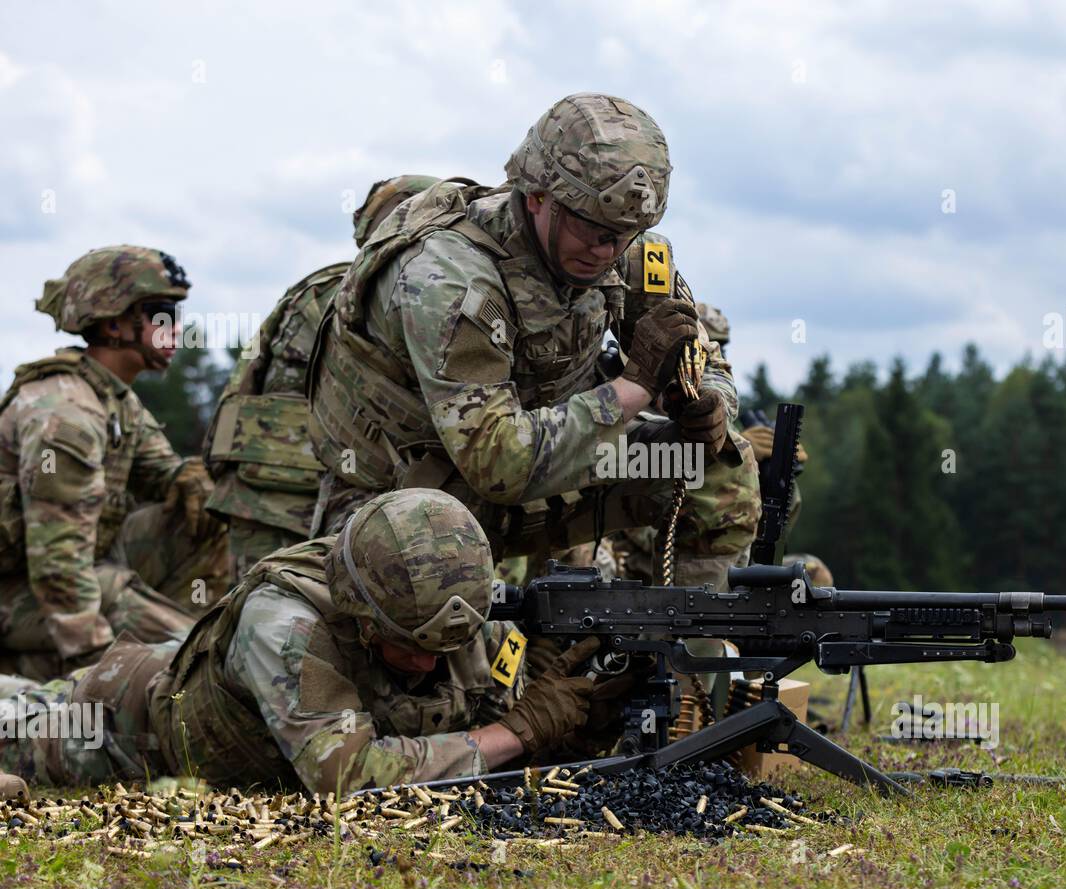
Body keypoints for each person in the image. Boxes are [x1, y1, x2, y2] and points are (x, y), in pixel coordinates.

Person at [307, 93, 760, 592]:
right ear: (538, 195)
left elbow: (704, 362)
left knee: (712, 468)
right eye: (591, 227)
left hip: (529, 490)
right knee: (460, 640)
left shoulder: (630, 254)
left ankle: (679, 661)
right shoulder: (449, 278)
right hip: (402, 512)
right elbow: (498, 463)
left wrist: (706, 402)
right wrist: (631, 389)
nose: (606, 250)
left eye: (625, 232)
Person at [0, 489, 599, 796]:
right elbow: (347, 777)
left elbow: (500, 710)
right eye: (406, 645)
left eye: (442, 649)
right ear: (359, 611)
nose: (426, 664)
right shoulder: (284, 622)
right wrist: (512, 734)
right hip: (119, 730)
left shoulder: (459, 600)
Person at [0, 246, 228, 681]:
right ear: (115, 323)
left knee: (205, 509)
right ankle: (56, 670)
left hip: (85, 569)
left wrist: (190, 477)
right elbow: (57, 561)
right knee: (196, 670)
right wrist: (101, 668)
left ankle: (182, 635)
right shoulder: (67, 413)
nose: (174, 330)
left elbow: (164, 472)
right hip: (23, 586)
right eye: (161, 315)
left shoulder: (113, 399)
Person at [204, 175, 440, 581]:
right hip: (298, 501)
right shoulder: (368, 296)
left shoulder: (322, 287)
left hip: (269, 494)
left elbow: (239, 396)